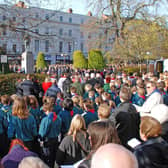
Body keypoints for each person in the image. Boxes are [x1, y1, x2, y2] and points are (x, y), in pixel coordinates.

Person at [39, 102, 62, 168]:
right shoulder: (58, 118)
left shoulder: (46, 120)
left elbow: (42, 133)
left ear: (47, 110)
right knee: (53, 158)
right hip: (55, 140)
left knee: (47, 160)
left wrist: (40, 139)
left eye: (44, 111)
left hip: (47, 141)